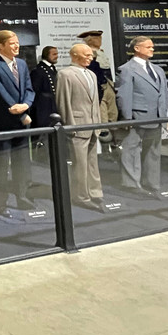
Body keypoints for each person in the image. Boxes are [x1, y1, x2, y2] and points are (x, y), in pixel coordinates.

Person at [0, 30, 36, 213]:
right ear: (1, 46)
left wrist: (26, 105)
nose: (17, 46)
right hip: (3, 124)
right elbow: (0, 95)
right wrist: (21, 114)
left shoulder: (21, 64)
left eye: (17, 42)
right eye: (12, 43)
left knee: (22, 163)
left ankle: (22, 197)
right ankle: (2, 202)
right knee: (1, 165)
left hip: (21, 125)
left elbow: (29, 89)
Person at [116, 36, 168, 196]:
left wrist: (165, 116)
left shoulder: (158, 70)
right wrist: (127, 118)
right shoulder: (127, 69)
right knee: (131, 149)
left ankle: (152, 183)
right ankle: (131, 184)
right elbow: (124, 95)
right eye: (148, 47)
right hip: (137, 116)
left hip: (156, 117)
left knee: (153, 151)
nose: (152, 49)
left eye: (152, 46)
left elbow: (163, 94)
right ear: (137, 48)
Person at [56, 44, 105, 211]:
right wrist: (70, 126)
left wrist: (98, 122)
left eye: (91, 55)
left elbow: (95, 102)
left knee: (92, 163)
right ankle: (81, 196)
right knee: (80, 164)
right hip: (77, 126)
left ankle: (95, 192)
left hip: (93, 125)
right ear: (75, 56)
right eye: (87, 55)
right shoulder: (65, 74)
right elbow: (63, 102)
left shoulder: (92, 74)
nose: (91, 58)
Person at [29, 46, 59, 129]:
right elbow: (35, 91)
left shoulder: (52, 69)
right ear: (46, 55)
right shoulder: (38, 71)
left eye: (57, 54)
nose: (56, 56)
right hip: (43, 109)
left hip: (52, 106)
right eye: (54, 54)